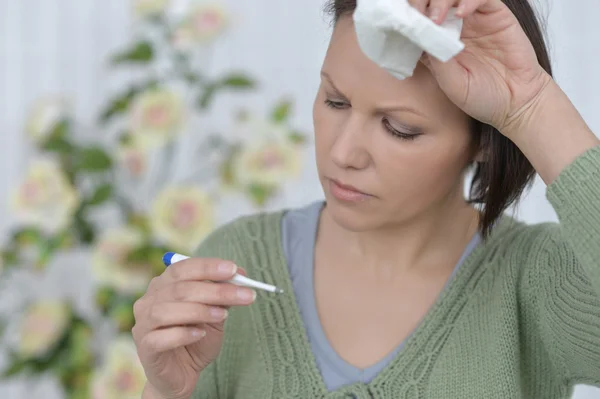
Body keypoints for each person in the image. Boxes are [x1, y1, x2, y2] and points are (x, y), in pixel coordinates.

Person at [132, 0, 600, 397]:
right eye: (335, 101)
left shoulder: (538, 284)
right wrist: (167, 392)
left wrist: (530, 102)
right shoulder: (235, 267)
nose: (342, 153)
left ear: (485, 137)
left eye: (400, 129)